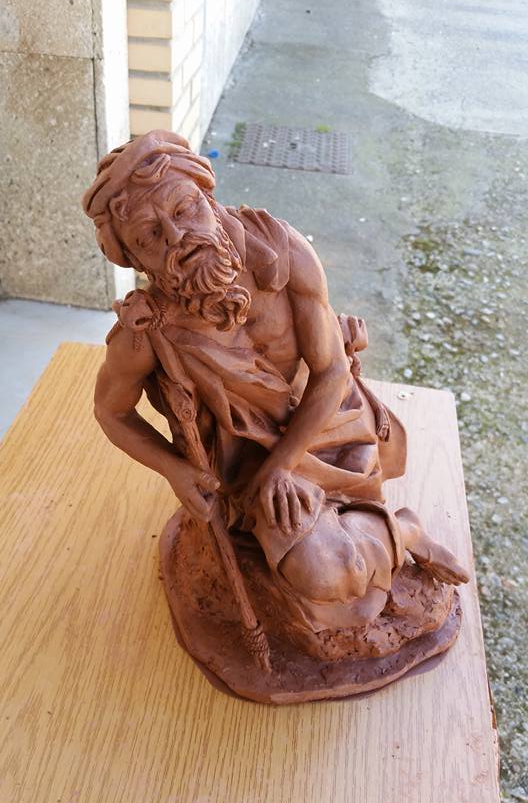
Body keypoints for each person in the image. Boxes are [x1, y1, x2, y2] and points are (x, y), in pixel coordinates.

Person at [83, 130, 467, 637]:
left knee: (340, 588)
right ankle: (401, 533)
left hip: (330, 421)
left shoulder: (283, 249)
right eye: (150, 236)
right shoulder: (148, 329)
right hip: (251, 460)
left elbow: (331, 372)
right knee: (331, 584)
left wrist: (282, 467)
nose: (178, 238)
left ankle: (391, 530)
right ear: (134, 260)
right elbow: (110, 411)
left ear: (207, 196)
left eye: (183, 209)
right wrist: (175, 470)